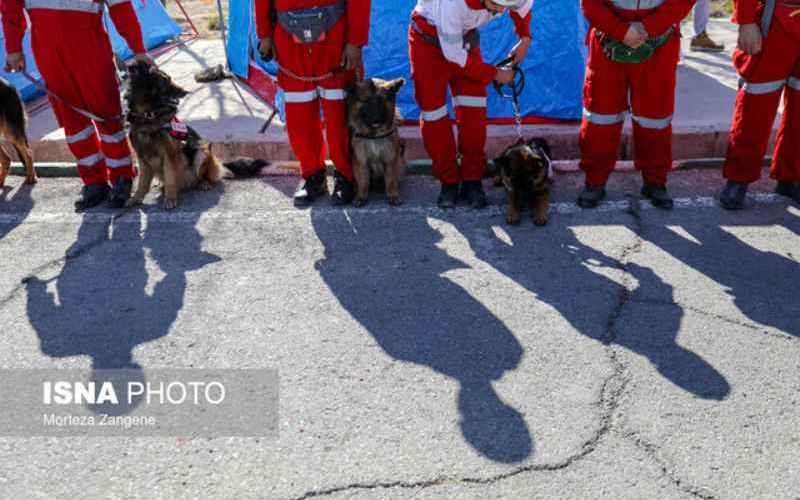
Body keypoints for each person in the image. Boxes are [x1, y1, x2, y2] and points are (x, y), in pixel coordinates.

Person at [1, 0, 150, 210]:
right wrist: (13, 48)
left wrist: (139, 49)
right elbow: (10, 6)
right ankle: (93, 181)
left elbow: (121, 7)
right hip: (47, 49)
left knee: (106, 112)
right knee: (72, 121)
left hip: (91, 46)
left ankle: (121, 177)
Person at [409, 0, 533, 209]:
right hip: (428, 45)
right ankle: (448, 181)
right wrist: (494, 74)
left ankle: (472, 179)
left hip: (465, 40)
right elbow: (455, 57)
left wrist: (525, 37)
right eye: (497, 5)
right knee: (434, 116)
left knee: (474, 112)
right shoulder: (452, 5)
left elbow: (523, 6)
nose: (503, 11)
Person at [578, 0, 695, 210]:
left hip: (659, 42)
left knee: (655, 117)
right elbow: (589, 3)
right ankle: (595, 180)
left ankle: (655, 181)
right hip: (608, 40)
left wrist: (649, 27)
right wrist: (620, 30)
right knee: (601, 116)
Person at [255, 0, 371, 207]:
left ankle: (346, 176)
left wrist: (355, 41)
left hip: (335, 39)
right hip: (290, 42)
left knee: (339, 119)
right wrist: (264, 35)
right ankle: (313, 176)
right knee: (299, 120)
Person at [718, 0, 800, 210]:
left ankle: (791, 177)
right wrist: (746, 21)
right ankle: (739, 178)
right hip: (774, 21)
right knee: (756, 104)